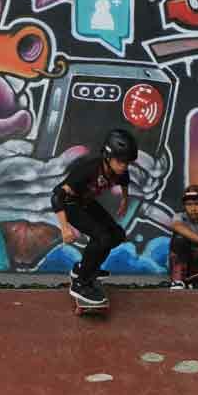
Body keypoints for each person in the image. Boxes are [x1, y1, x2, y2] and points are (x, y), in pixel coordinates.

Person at [52, 129, 135, 305]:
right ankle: (81, 283)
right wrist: (65, 228)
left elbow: (125, 181)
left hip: (86, 203)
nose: (124, 166)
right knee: (102, 238)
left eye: (127, 162)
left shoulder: (120, 171)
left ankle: (86, 267)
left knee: (116, 235)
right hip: (69, 205)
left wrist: (125, 200)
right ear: (107, 156)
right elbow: (57, 196)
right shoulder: (88, 170)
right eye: (120, 162)